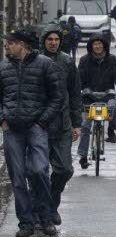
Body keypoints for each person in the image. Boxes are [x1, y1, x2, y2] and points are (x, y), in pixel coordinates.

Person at [0, 27, 64, 237]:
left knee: (39, 171)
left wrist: (42, 122)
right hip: (12, 130)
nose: (6, 46)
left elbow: (57, 97)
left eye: (10, 42)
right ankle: (26, 223)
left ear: (21, 45)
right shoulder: (3, 67)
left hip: (36, 127)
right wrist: (3, 121)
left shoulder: (45, 65)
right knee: (17, 179)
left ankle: (45, 217)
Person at [40, 27, 81, 225]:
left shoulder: (67, 61)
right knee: (38, 171)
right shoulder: (36, 60)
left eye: (56, 39)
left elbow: (74, 93)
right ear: (44, 41)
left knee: (64, 169)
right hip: (40, 125)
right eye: (50, 39)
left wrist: (77, 123)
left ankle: (51, 204)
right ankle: (41, 213)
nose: (53, 42)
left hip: (64, 124)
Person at [77, 36, 116, 165]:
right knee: (85, 125)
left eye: (100, 44)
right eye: (95, 44)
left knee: (114, 107)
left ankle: (111, 129)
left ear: (104, 46)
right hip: (89, 97)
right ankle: (83, 155)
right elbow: (78, 78)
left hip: (107, 95)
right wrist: (78, 90)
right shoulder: (84, 60)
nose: (98, 46)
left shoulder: (112, 59)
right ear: (91, 46)